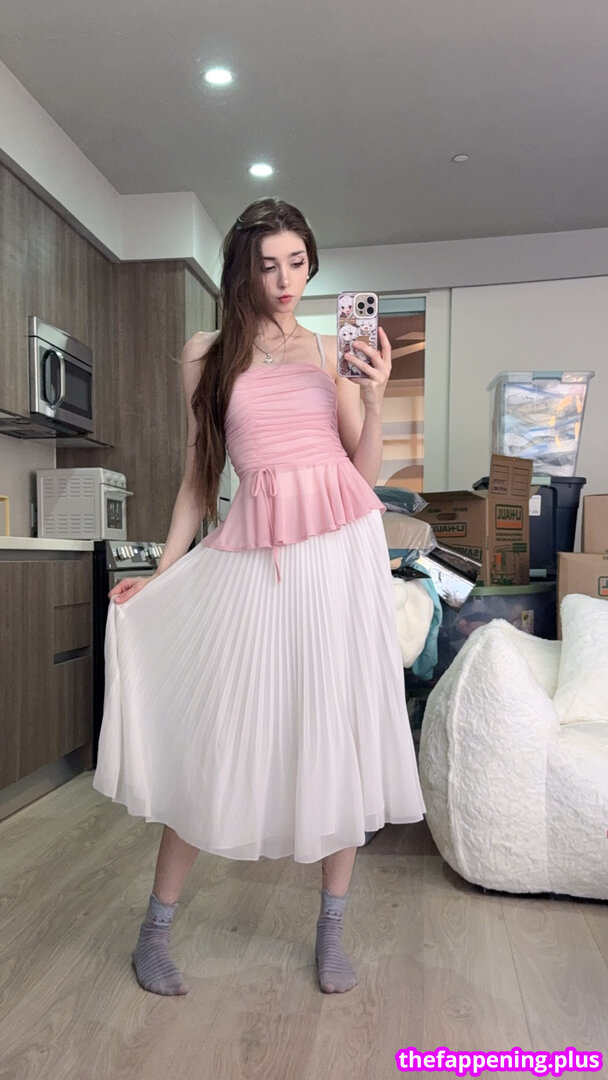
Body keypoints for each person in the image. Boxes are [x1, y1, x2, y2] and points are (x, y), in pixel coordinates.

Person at [93, 197, 425, 998]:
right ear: (242, 268)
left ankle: (331, 930)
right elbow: (198, 477)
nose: (284, 281)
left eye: (297, 263)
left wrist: (376, 398)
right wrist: (163, 573)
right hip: (252, 553)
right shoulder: (205, 353)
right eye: (268, 265)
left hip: (338, 553)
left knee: (335, 731)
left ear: (311, 264)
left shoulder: (328, 351)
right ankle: (154, 930)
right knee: (218, 732)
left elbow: (362, 475)